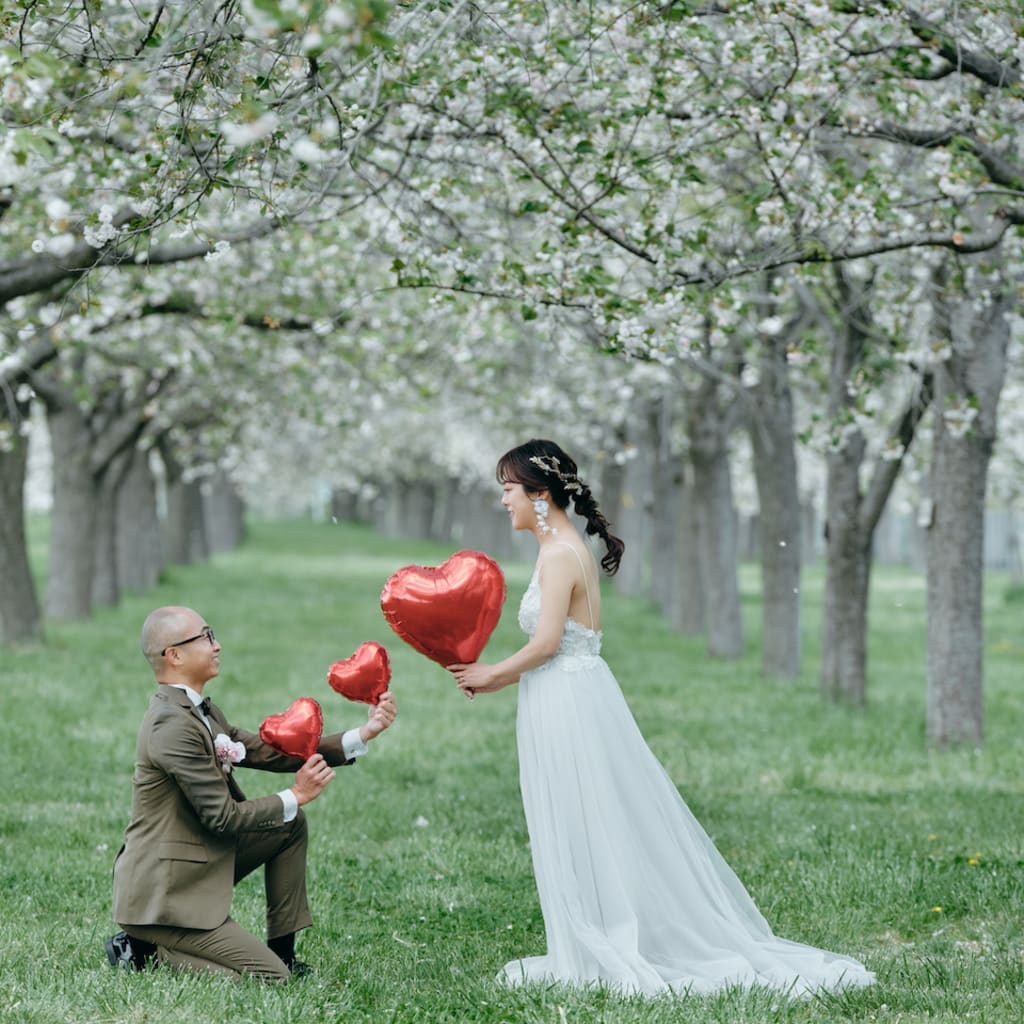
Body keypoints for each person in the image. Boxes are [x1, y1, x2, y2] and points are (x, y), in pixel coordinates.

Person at [448, 439, 874, 996]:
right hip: (566, 692)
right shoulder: (559, 547)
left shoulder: (558, 555)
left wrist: (491, 674)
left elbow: (549, 642)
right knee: (580, 813)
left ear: (541, 494)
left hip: (566, 698)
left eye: (508, 490)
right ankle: (584, 933)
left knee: (583, 813)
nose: (504, 501)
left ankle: (603, 937)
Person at [107, 605, 397, 981]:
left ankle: (284, 954)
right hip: (163, 896)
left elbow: (266, 750)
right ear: (174, 655)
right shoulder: (170, 725)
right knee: (267, 981)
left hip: (195, 864)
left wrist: (363, 734)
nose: (217, 645)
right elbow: (223, 818)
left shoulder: (198, 711)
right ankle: (145, 951)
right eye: (206, 637)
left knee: (288, 826)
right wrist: (296, 793)